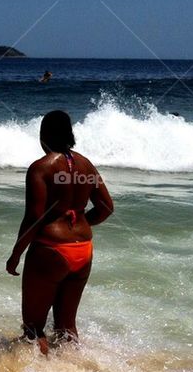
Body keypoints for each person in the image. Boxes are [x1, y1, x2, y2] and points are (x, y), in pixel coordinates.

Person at [6, 110, 113, 354]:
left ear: (43, 135)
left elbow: (33, 218)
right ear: (70, 134)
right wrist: (80, 222)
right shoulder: (87, 165)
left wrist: (16, 253)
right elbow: (107, 208)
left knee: (33, 328)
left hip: (50, 250)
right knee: (67, 328)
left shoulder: (40, 168)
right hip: (83, 251)